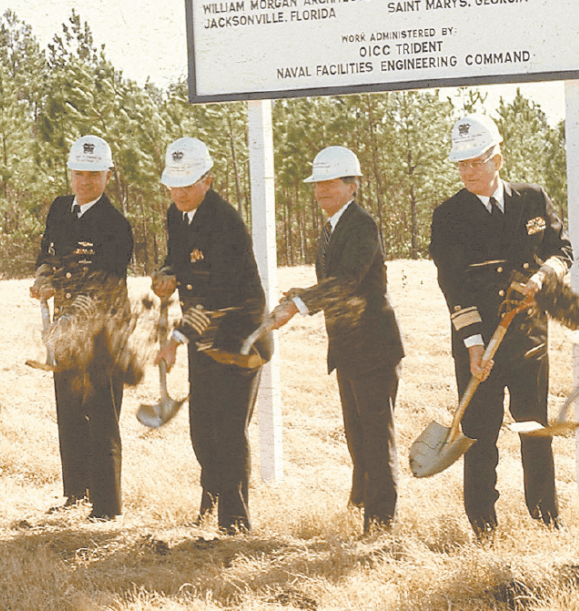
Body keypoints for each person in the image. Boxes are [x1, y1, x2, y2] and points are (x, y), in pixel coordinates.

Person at [429, 113, 573, 537]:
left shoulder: (532, 199)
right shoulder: (448, 216)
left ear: (498, 159)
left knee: (534, 428)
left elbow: (562, 251)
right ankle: (483, 525)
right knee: (478, 434)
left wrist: (543, 277)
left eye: (476, 161)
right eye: (462, 164)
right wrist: (474, 343)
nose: (468, 171)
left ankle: (546, 517)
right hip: (479, 344)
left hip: (528, 338)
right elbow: (453, 285)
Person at [268, 146, 405, 533]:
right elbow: (338, 280)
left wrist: (298, 304)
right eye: (318, 184)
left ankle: (380, 526)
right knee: (358, 435)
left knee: (377, 439)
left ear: (353, 185)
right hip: (348, 349)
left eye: (331, 183)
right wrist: (304, 292)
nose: (322, 191)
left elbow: (347, 282)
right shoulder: (333, 227)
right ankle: (361, 504)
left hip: (374, 348)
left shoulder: (361, 225)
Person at [152, 137, 269, 534]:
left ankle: (235, 524)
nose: (180, 193)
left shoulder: (225, 222)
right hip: (203, 337)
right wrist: (167, 273)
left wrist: (175, 339)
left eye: (188, 184)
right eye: (174, 185)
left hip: (239, 337)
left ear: (209, 180)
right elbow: (179, 259)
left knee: (229, 428)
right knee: (202, 427)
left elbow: (219, 292)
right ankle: (211, 503)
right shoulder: (176, 214)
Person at [31, 134, 135, 522]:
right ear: (70, 173)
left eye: (94, 174)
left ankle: (106, 509)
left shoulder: (115, 224)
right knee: (70, 411)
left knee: (101, 416)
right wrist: (43, 276)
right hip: (66, 331)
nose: (86, 181)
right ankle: (75, 495)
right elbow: (47, 252)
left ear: (108, 175)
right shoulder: (60, 209)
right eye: (79, 173)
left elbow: (104, 281)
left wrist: (61, 287)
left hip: (104, 333)